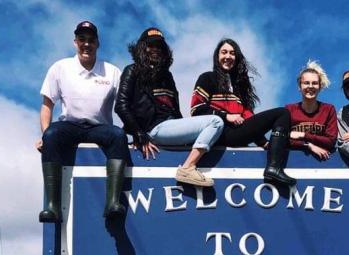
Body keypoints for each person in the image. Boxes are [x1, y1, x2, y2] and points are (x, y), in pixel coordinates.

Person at [38, 21, 129, 223]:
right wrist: (44, 134)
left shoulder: (112, 72)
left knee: (119, 136)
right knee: (52, 135)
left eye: (91, 40)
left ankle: (113, 203)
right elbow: (47, 105)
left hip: (100, 127)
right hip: (70, 125)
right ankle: (53, 207)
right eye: (82, 40)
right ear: (75, 42)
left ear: (98, 43)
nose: (86, 44)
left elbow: (125, 105)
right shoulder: (60, 68)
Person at [115, 28, 224, 188]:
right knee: (215, 122)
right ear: (142, 48)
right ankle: (187, 168)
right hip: (154, 129)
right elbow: (121, 106)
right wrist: (139, 133)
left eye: (159, 47)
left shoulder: (167, 76)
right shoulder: (132, 70)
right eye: (151, 46)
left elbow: (175, 110)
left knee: (212, 131)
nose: (156, 50)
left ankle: (190, 162)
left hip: (170, 127)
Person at [190, 38, 296, 186]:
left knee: (282, 113)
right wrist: (226, 116)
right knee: (282, 113)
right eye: (224, 52)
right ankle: (273, 168)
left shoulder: (240, 86)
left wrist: (262, 142)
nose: (228, 56)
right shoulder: (207, 78)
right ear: (217, 56)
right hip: (218, 133)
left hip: (237, 134)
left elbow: (248, 118)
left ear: (237, 57)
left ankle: (274, 166)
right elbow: (196, 110)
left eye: (232, 53)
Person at [285, 61, 337, 161]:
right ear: (299, 86)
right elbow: (282, 138)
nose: (310, 86)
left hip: (322, 163)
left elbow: (331, 141)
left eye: (314, 83)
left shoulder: (328, 109)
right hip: (293, 163)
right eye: (306, 83)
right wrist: (308, 145)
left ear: (320, 87)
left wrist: (303, 135)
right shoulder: (289, 109)